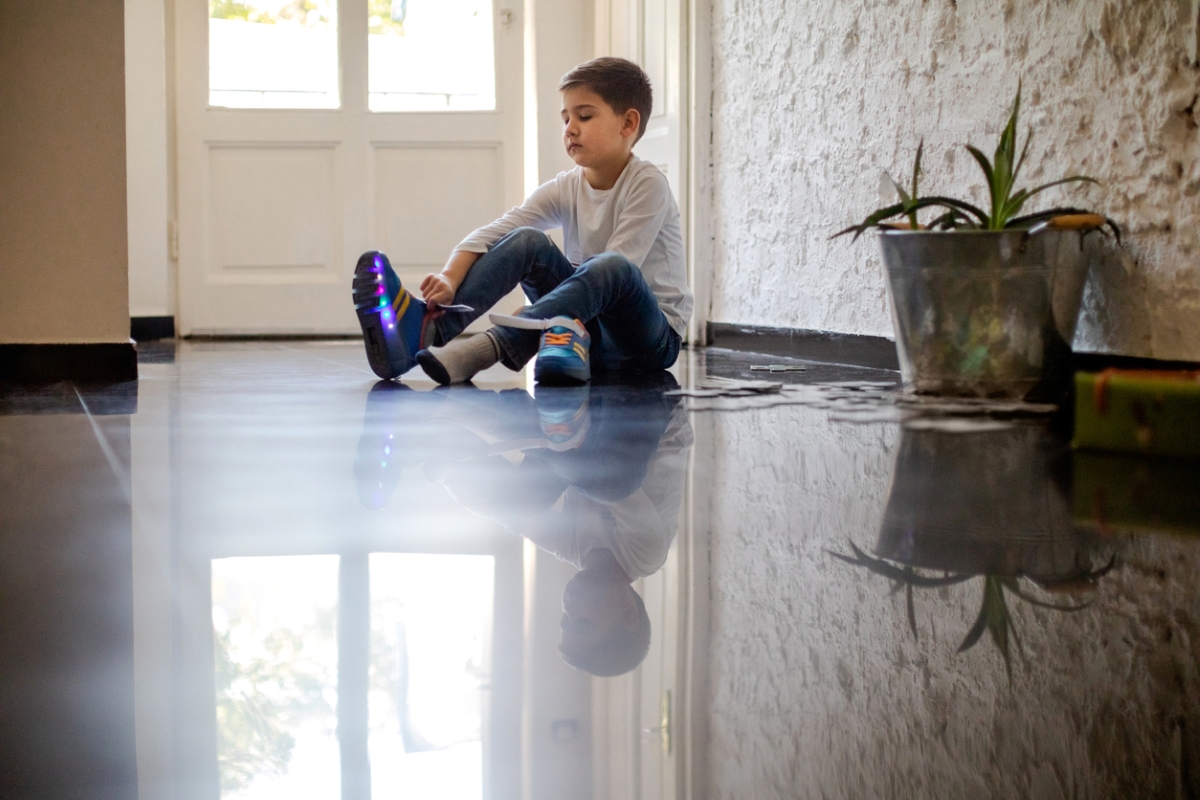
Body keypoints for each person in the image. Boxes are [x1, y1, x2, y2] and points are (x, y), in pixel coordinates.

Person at [351, 57, 692, 386]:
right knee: (527, 240)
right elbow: (493, 233)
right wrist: (449, 277)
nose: (570, 129)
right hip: (586, 331)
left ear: (628, 124)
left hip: (649, 342)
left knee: (613, 266)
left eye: (584, 116)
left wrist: (539, 312)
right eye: (565, 119)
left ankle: (488, 347)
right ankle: (427, 330)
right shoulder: (566, 186)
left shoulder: (648, 184)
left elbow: (617, 276)